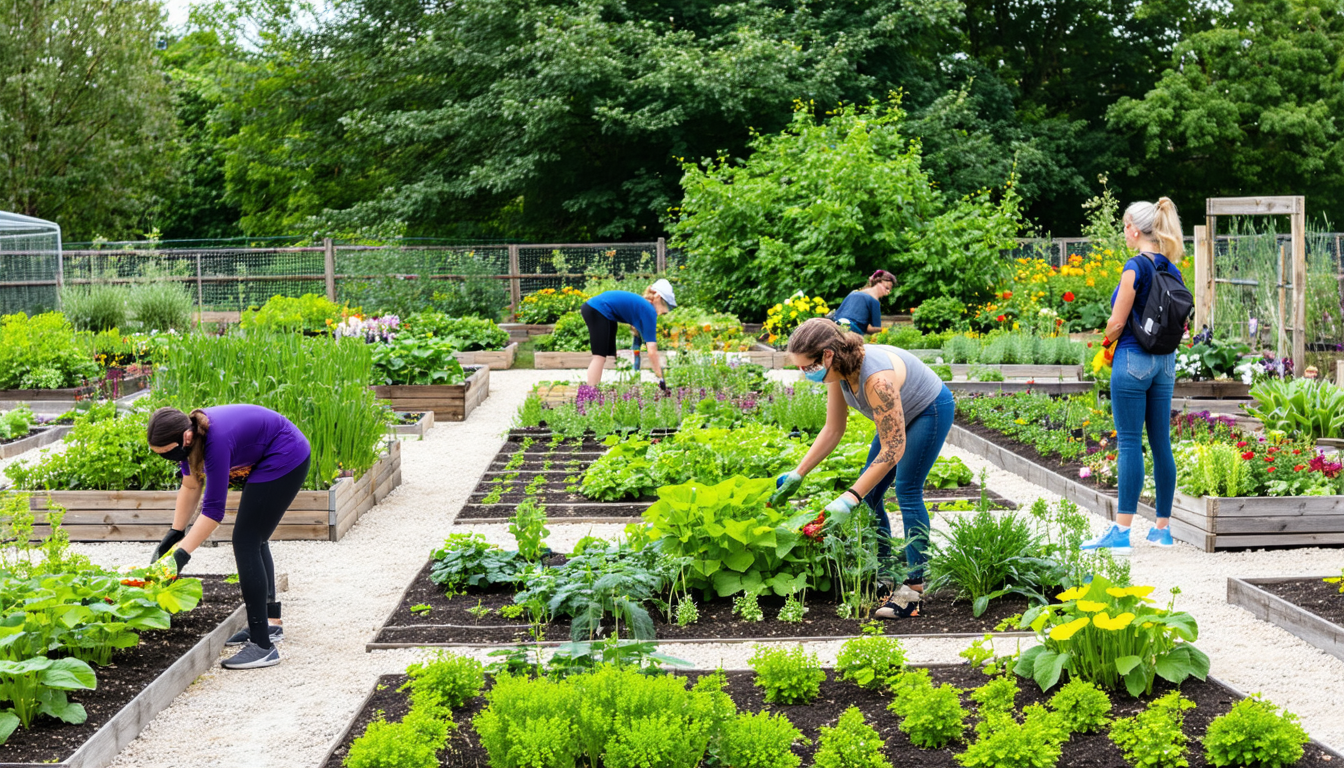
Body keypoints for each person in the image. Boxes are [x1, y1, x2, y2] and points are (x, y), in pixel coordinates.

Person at [769, 317, 954, 618]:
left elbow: (894, 448)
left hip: (928, 410)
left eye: (807, 367)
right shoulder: (838, 372)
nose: (803, 374)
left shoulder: (876, 381)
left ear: (827, 355)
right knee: (870, 497)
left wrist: (849, 496)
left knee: (906, 490)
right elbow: (833, 429)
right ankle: (886, 572)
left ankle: (913, 592)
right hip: (897, 415)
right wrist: (798, 473)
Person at [147, 405, 311, 669]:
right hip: (270, 453)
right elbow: (190, 485)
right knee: (254, 538)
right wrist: (174, 533)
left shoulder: (215, 440)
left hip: (286, 454)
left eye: (167, 453)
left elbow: (213, 512)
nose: (167, 457)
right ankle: (270, 623)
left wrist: (181, 556)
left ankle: (262, 646)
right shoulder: (189, 439)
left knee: (246, 540)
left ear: (184, 438)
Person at [1083, 198, 1187, 554]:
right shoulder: (1171, 268)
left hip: (1132, 359)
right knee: (1161, 444)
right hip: (1165, 362)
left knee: (1129, 442)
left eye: (1124, 226)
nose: (1123, 232)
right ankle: (1162, 530)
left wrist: (1103, 342)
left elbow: (1117, 321)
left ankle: (1122, 532)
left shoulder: (1135, 267)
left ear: (1133, 227)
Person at [580, 279, 675, 388]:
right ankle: (590, 393)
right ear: (658, 297)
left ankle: (599, 389)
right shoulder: (649, 310)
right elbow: (652, 351)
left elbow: (640, 337)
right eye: (667, 306)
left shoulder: (644, 306)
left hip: (602, 312)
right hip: (597, 310)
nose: (666, 311)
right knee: (599, 356)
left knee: (607, 354)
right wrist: (661, 378)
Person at [832, 270, 895, 335]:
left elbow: (837, 314)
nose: (888, 292)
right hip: (852, 332)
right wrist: (886, 329)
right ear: (878, 283)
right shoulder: (874, 300)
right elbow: (873, 329)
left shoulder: (853, 293)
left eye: (889, 290)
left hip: (835, 327)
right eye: (887, 288)